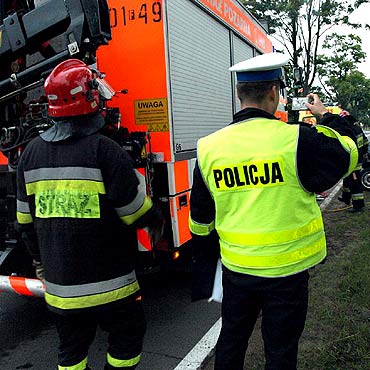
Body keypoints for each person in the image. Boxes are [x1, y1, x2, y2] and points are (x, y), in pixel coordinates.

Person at [188, 52, 358, 370]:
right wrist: (325, 114)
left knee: (231, 343)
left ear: (240, 94)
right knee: (280, 351)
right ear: (273, 94)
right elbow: (349, 151)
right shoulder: (296, 140)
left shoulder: (209, 147)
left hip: (237, 272)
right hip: (287, 274)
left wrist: (208, 259)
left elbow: (200, 220)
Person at [16, 59, 163, 370]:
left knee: (70, 355)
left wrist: (40, 263)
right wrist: (156, 218)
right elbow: (134, 212)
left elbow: (25, 224)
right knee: (126, 342)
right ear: (89, 97)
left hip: (60, 292)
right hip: (113, 287)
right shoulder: (105, 150)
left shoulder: (29, 155)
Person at [337, 110, 369, 212]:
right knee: (347, 179)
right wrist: (364, 154)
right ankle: (345, 197)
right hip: (356, 159)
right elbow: (365, 142)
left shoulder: (347, 130)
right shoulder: (357, 128)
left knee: (355, 183)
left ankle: (358, 205)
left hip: (353, 161)